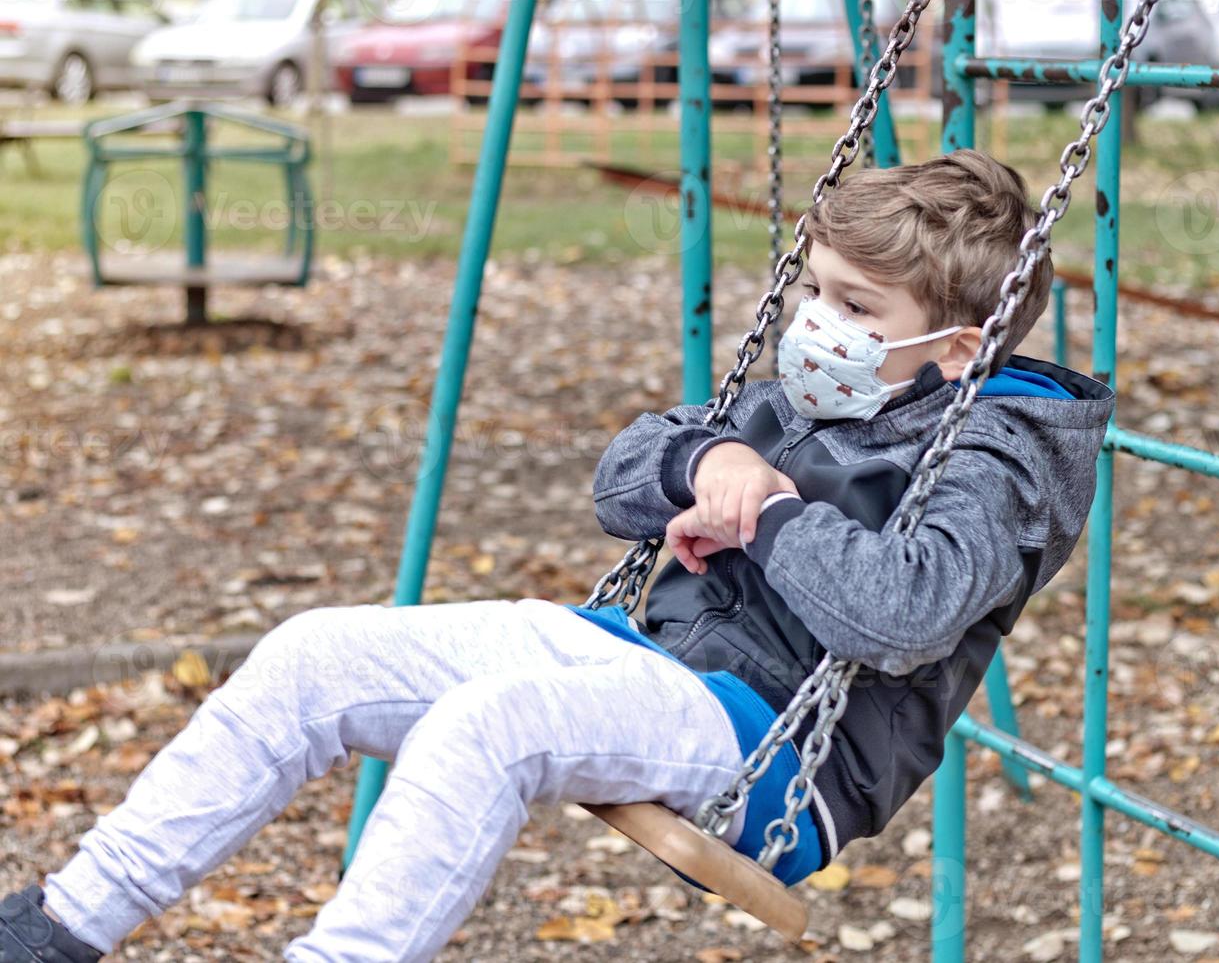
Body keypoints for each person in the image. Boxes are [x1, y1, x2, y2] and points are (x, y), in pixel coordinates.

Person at [0, 149, 1113, 963]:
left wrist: (768, 515)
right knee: (314, 652)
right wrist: (710, 463)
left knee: (488, 726)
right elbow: (622, 478)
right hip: (641, 653)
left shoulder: (1000, 460)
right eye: (814, 288)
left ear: (961, 346)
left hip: (772, 744)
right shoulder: (835, 390)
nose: (814, 320)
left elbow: (906, 611)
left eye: (854, 303)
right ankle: (64, 921)